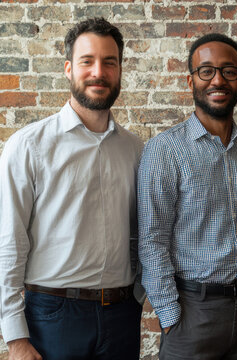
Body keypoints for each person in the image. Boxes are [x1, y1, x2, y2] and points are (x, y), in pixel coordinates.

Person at [0, 18, 144, 360]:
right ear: (68, 69)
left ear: (120, 70)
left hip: (122, 316)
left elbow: (144, 233)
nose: (99, 71)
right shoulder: (29, 146)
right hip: (52, 317)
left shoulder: (136, 150)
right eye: (87, 61)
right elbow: (9, 242)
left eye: (109, 62)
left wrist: (139, 294)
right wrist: (15, 337)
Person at [137, 33, 237, 360]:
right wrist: (169, 317)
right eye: (206, 71)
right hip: (194, 314)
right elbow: (152, 239)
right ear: (191, 80)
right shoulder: (165, 150)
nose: (218, 80)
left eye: (229, 71)